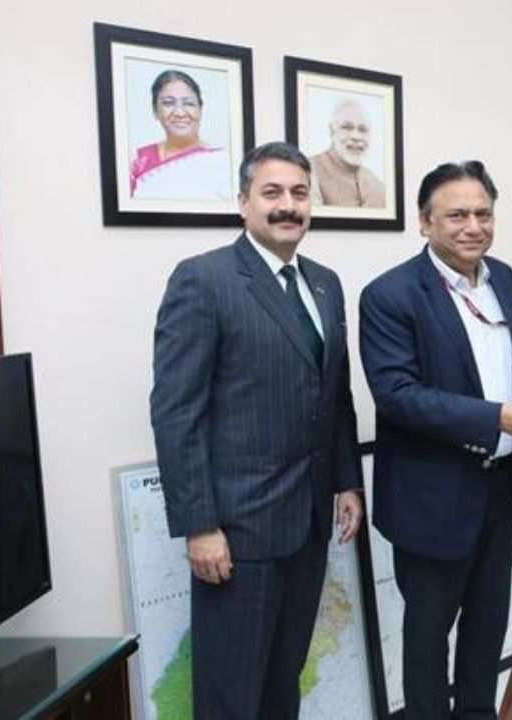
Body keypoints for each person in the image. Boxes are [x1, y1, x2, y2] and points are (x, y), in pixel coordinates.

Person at [150, 141, 364, 718]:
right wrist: (199, 526)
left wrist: (347, 481)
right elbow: (176, 412)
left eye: (299, 193)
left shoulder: (325, 284)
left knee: (281, 685)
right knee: (230, 696)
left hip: (309, 524)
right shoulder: (204, 280)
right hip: (238, 533)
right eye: (272, 193)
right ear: (243, 201)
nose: (287, 205)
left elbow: (335, 393)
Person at [359, 160, 512, 718]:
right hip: (432, 497)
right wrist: (496, 418)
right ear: (424, 222)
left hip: (500, 488)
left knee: (487, 628)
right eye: (457, 215)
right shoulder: (390, 295)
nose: (473, 226)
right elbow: (398, 394)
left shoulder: (503, 278)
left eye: (483, 214)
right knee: (428, 640)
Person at [130, 69, 231, 200]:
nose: (179, 113)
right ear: (155, 110)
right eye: (168, 103)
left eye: (189, 104)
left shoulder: (223, 162)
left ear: (200, 109)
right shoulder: (138, 161)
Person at [310, 99, 386, 208]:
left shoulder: (377, 185)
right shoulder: (310, 170)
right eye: (347, 128)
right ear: (331, 131)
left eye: (363, 130)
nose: (356, 137)